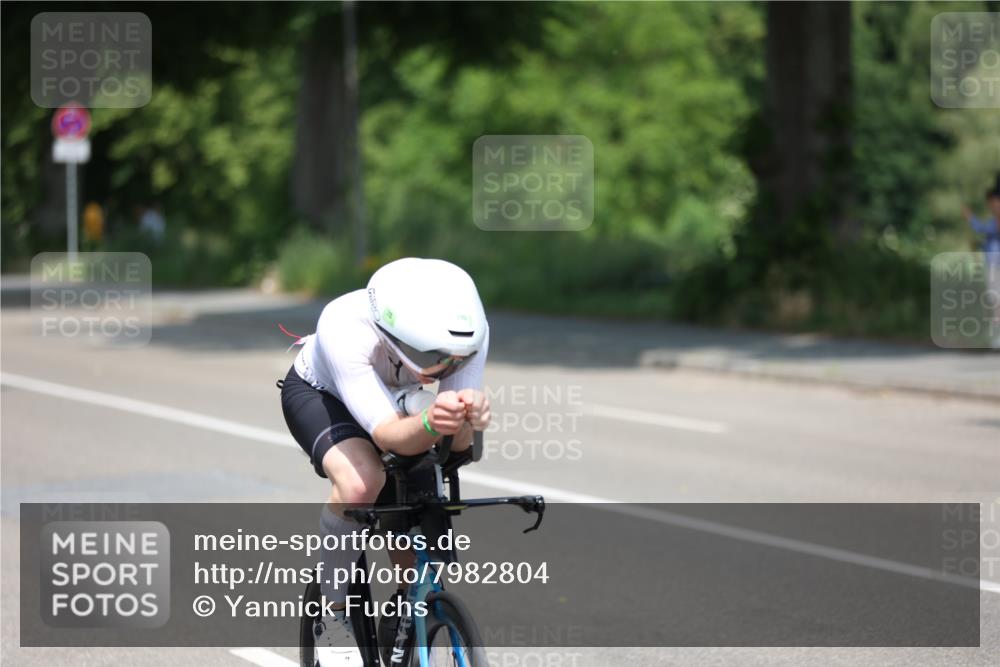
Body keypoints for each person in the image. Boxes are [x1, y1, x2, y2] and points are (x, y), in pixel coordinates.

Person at [280, 257, 491, 666]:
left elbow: (459, 450)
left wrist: (469, 419)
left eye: (456, 360)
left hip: (404, 403)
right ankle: (332, 615)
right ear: (390, 335)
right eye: (432, 356)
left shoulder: (469, 334)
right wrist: (431, 421)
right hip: (326, 396)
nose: (443, 369)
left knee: (419, 507)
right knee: (362, 482)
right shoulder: (345, 325)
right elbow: (389, 436)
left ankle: (406, 619)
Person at [962, 173, 1000, 348]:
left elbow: (984, 229)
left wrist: (970, 217)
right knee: (993, 300)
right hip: (992, 263)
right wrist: (980, 245)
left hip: (996, 265)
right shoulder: (994, 220)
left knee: (995, 299)